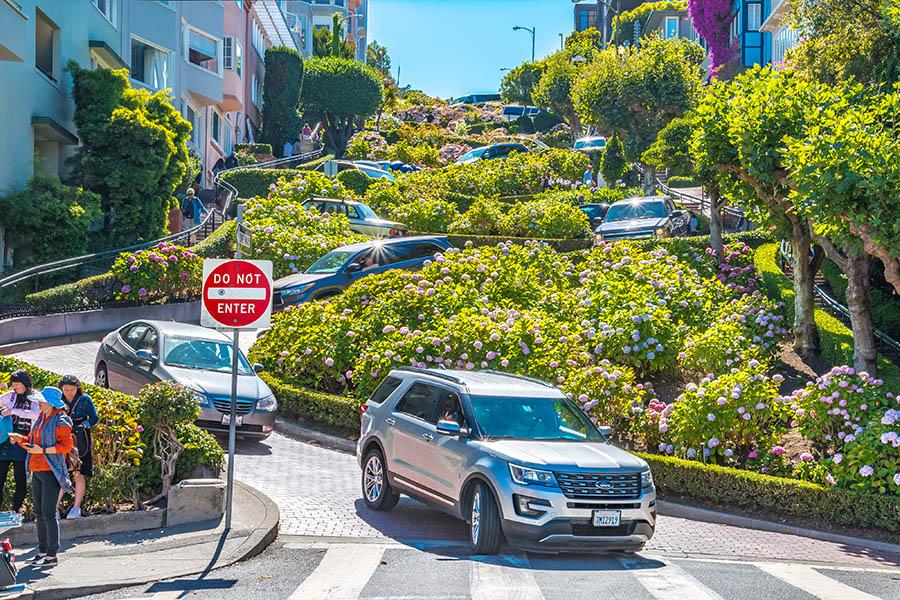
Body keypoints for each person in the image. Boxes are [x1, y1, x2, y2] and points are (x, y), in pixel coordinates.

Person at [10, 387, 73, 567]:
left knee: (48, 513)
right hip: (36, 469)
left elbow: (66, 446)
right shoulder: (41, 418)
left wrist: (43, 450)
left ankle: (52, 555)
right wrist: (20, 439)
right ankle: (43, 550)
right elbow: (32, 442)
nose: (38, 402)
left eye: (41, 400)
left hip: (50, 471)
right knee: (39, 513)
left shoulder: (61, 420)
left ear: (51, 404)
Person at [58, 376, 98, 520]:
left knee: (78, 473)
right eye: (66, 389)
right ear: (61, 388)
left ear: (78, 388)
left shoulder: (85, 399)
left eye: (72, 390)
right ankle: (55, 508)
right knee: (60, 473)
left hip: (80, 439)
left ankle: (76, 507)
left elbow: (94, 417)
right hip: (62, 438)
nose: (69, 392)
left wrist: (86, 424)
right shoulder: (58, 399)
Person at [0, 371, 39, 514]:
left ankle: (15, 511)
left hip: (24, 442)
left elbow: (36, 414)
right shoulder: (10, 395)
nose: (14, 386)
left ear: (26, 383)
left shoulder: (35, 398)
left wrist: (14, 411)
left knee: (20, 480)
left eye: (17, 384)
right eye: (13, 383)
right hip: (5, 441)